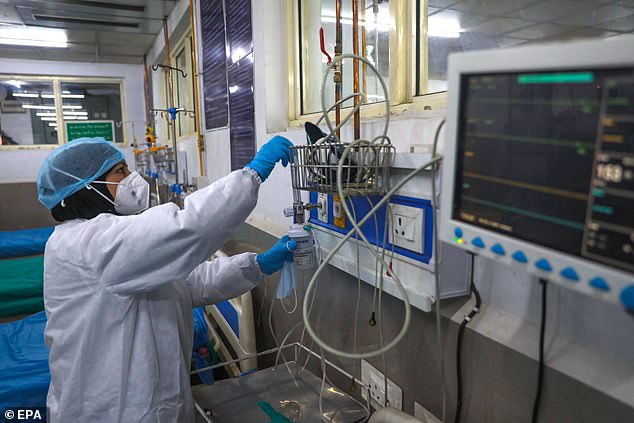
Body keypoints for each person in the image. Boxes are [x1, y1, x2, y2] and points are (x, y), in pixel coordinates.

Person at [37, 136, 296, 422]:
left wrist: (257, 265)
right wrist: (252, 174)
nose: (132, 179)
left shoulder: (106, 240)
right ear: (87, 186)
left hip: (151, 400)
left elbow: (187, 285)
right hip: (112, 409)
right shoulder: (88, 244)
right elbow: (190, 227)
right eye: (120, 171)